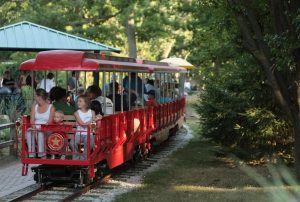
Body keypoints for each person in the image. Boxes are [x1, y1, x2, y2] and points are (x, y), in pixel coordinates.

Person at [26, 89, 55, 158]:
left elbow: (50, 122)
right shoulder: (34, 107)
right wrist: (34, 127)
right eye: (35, 97)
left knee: (39, 133)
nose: (35, 98)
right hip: (35, 128)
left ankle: (42, 154)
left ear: (40, 97)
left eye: (36, 96)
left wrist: (41, 128)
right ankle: (31, 154)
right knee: (29, 131)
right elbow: (32, 121)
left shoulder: (51, 107)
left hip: (46, 128)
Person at [73, 95, 97, 160]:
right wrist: (93, 119)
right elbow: (82, 124)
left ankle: (83, 159)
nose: (78, 103)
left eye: (80, 101)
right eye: (78, 101)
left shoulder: (92, 112)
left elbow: (93, 126)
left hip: (89, 134)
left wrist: (93, 121)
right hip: (79, 134)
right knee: (72, 143)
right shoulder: (76, 113)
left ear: (86, 103)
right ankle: (76, 159)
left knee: (89, 144)